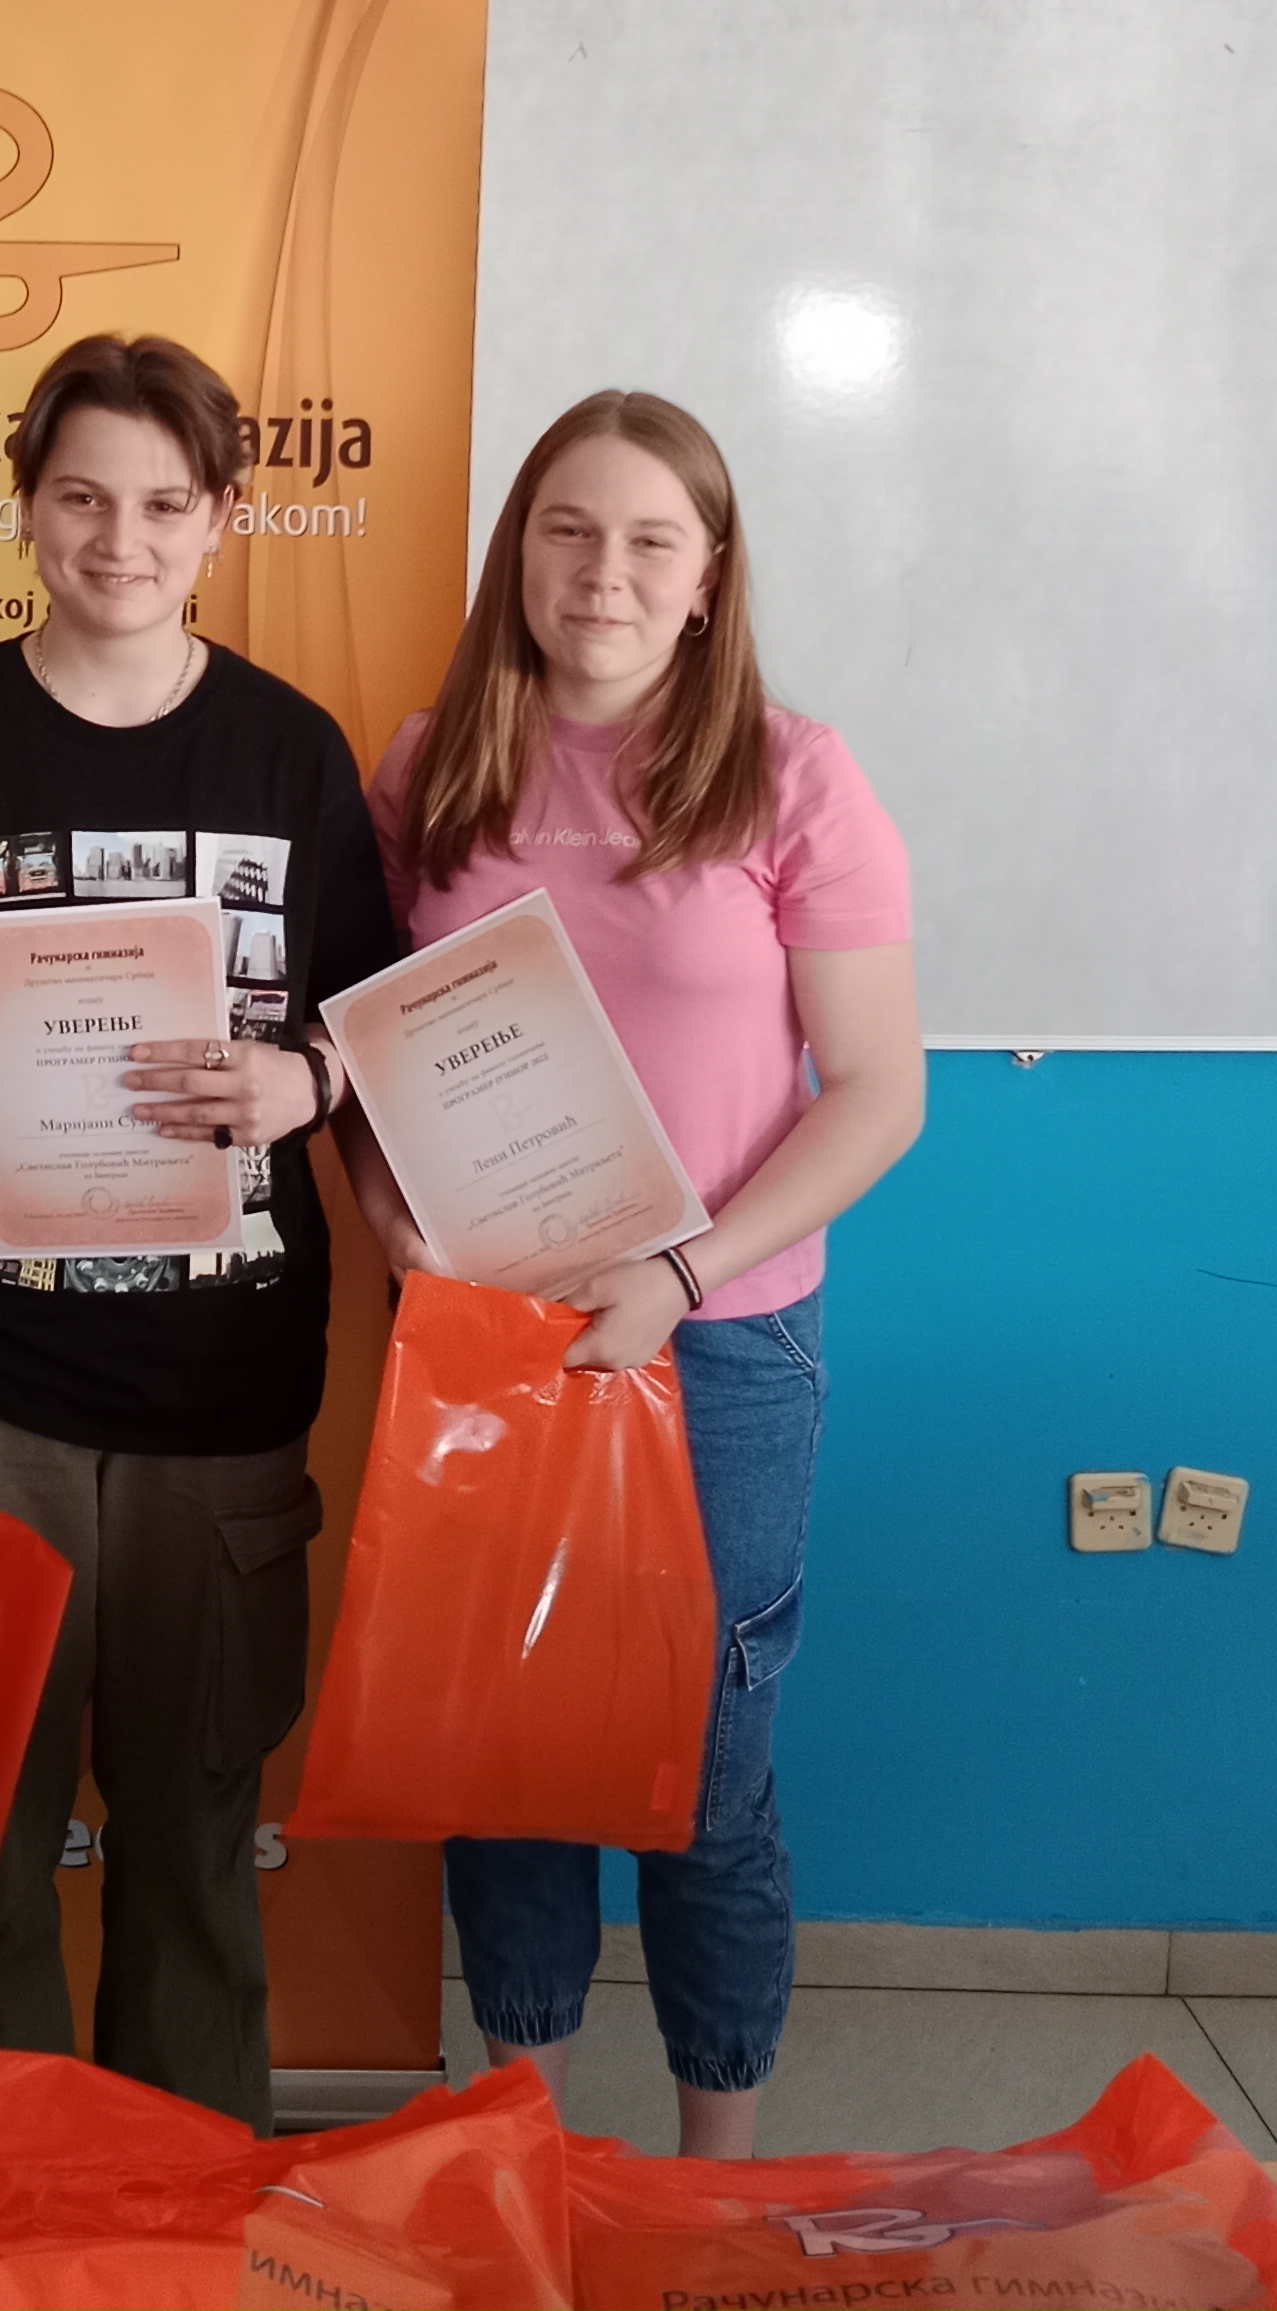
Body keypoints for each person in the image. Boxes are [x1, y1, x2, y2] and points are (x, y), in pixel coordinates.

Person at [0, 333, 399, 2135]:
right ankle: (4, 2201)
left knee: (196, 1837)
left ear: (222, 518)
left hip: (228, 1402)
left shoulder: (291, 750)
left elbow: (367, 1032)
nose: (119, 540)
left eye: (161, 503)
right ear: (25, 506)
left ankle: (185, 2200)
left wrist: (304, 1079)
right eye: (81, 497)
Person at [356, 388, 923, 2158]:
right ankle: (519, 2157)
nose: (603, 571)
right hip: (486, 1341)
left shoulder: (793, 773)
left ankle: (710, 2194)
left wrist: (683, 1271)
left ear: (708, 576)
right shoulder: (431, 765)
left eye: (649, 539)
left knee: (708, 1783)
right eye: (568, 530)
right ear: (517, 553)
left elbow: (881, 1093)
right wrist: (385, 1225)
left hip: (721, 1346)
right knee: (505, 1765)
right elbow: (361, 1051)